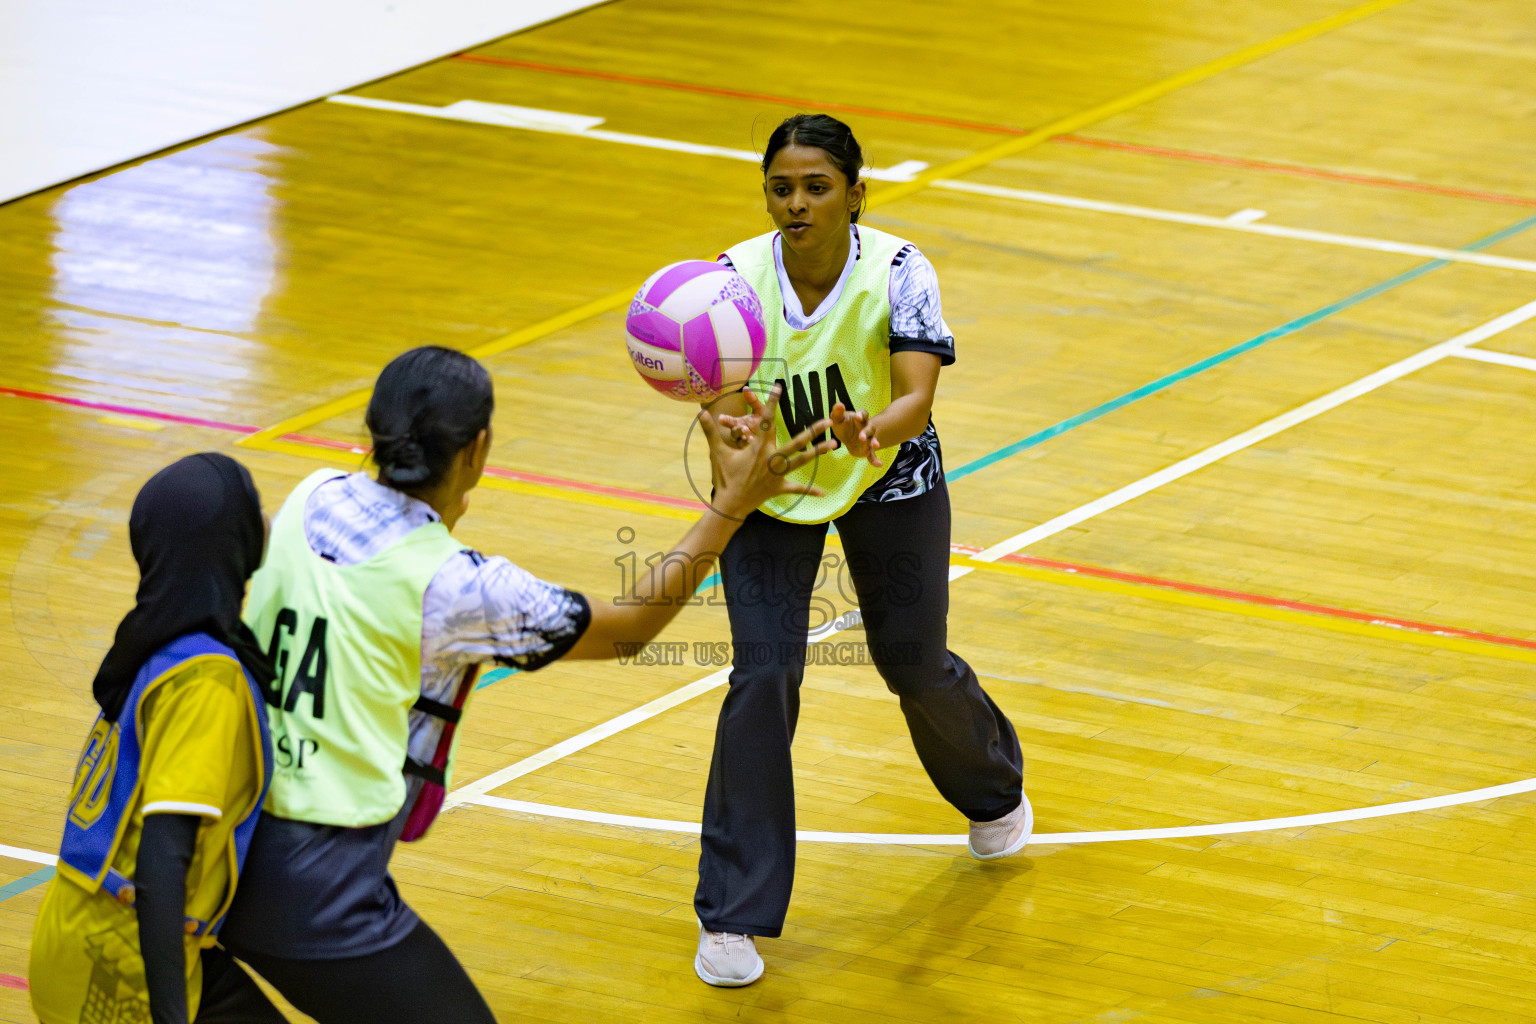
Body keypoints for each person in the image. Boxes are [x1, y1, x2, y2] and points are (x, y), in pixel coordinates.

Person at [204, 345, 831, 1022]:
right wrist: (732, 504)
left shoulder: (310, 498)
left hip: (220, 848)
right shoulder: (463, 586)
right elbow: (629, 626)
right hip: (320, 886)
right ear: (478, 449)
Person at [693, 113, 1030, 987]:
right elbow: (720, 411)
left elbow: (916, 398)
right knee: (763, 674)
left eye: (816, 187)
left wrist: (868, 430)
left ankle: (993, 789)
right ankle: (731, 913)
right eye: (781, 188)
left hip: (889, 473)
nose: (796, 204)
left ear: (854, 193)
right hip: (775, 489)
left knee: (912, 662)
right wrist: (735, 445)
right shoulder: (728, 282)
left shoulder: (900, 269)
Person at [29, 453, 282, 1024]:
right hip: (117, 958)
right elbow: (163, 859)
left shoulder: (162, 643)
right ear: (230, 541)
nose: (268, 520)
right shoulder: (208, 678)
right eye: (256, 506)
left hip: (81, 926)